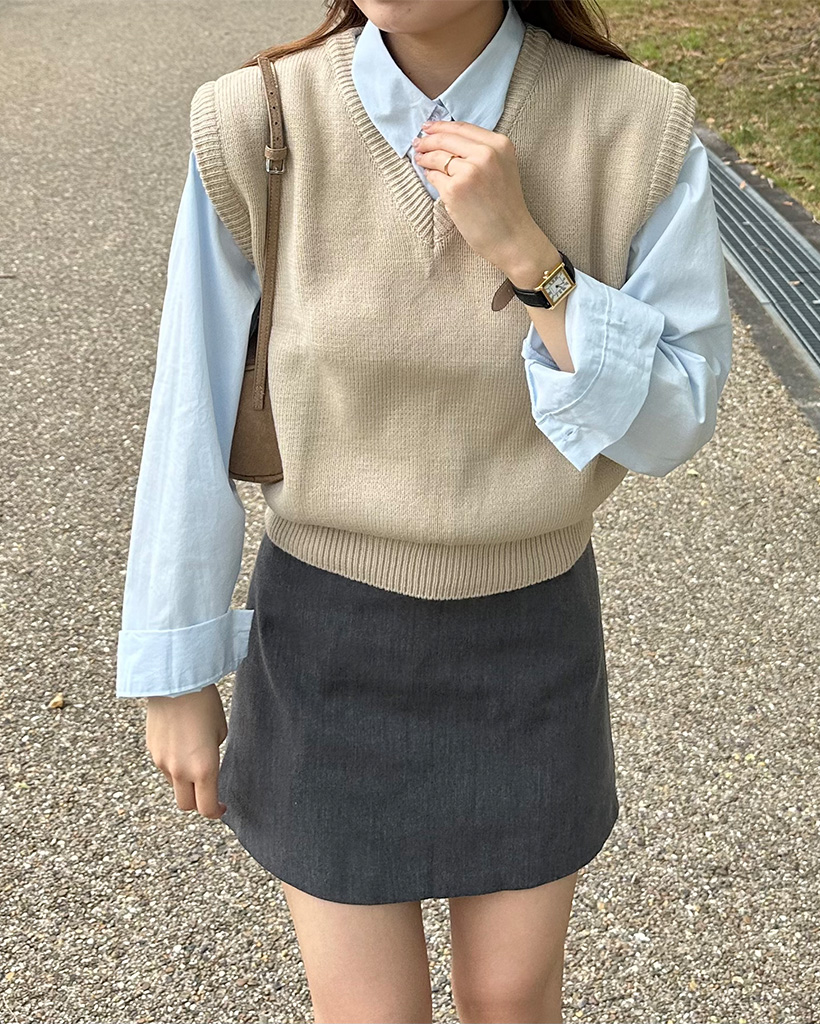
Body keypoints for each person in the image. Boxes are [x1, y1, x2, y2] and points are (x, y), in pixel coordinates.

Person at [116, 1, 732, 1021]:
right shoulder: (256, 119)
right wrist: (174, 668)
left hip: (530, 628)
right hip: (325, 635)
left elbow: (672, 422)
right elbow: (191, 400)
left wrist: (534, 261)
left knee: (512, 997)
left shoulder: (635, 123)